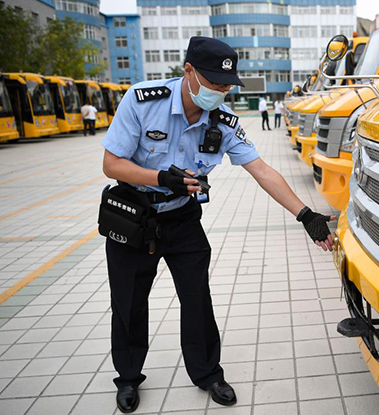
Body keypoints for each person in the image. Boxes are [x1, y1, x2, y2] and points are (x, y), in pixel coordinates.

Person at [101, 36, 335, 413]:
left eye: (227, 85)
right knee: (128, 303)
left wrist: (305, 215)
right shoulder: (144, 102)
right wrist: (162, 177)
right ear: (189, 71)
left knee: (197, 299)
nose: (222, 91)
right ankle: (128, 377)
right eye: (214, 83)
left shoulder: (223, 122)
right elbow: (112, 165)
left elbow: (261, 169)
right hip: (134, 216)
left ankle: (208, 373)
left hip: (181, 218)